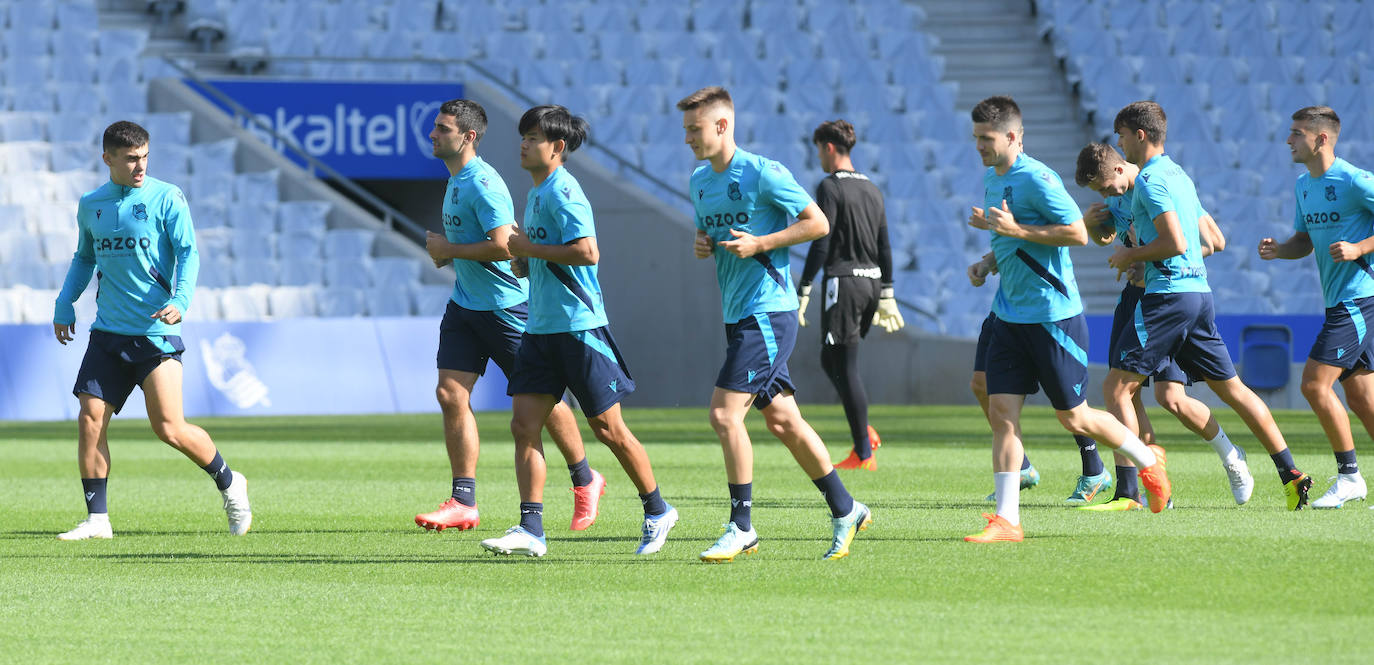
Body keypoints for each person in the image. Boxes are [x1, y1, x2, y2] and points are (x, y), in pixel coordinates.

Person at [963, 96, 1170, 543]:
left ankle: (1148, 461)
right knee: (1002, 414)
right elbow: (1010, 241)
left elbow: (1077, 233)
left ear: (1013, 137)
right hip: (1008, 316)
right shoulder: (990, 178)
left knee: (1075, 418)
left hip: (1054, 318)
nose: (978, 145)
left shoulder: (1038, 178)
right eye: (976, 137)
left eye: (986, 138)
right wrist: (987, 263)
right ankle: (1007, 520)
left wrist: (1013, 230)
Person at [679, 86, 871, 562]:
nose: (687, 138)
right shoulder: (700, 180)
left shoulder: (763, 172)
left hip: (768, 312)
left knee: (725, 415)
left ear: (722, 126)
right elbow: (711, 229)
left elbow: (818, 223)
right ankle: (846, 508)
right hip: (739, 314)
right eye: (685, 130)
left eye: (694, 129)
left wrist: (762, 243)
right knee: (785, 421)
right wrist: (704, 242)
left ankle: (741, 526)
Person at [479, 105, 677, 557]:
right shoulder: (537, 192)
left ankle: (657, 510)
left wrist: (530, 247)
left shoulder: (565, 191)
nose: (523, 144)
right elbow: (547, 255)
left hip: (579, 328)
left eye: (533, 137)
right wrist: (525, 259)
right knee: (524, 425)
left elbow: (588, 253)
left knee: (610, 431)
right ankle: (532, 529)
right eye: (523, 136)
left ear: (558, 147)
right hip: (541, 328)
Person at [1103, 101, 1313, 510]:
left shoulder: (1149, 180)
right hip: (1199, 295)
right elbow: (1207, 241)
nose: (1119, 142)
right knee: (1232, 389)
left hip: (1166, 297)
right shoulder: (1179, 174)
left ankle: (1140, 482)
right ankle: (1291, 472)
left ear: (1139, 135)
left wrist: (1131, 256)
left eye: (1122, 135)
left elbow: (1175, 243)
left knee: (1116, 390)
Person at [51, 120, 251, 540]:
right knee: (90, 418)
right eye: (130, 158)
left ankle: (230, 482)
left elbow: (188, 252)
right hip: (107, 333)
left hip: (154, 333)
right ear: (108, 159)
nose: (139, 165)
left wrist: (180, 301)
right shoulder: (92, 203)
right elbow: (84, 257)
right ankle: (97, 521)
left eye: (144, 156)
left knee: (169, 428)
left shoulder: (167, 196)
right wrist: (64, 300)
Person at [414, 99, 606, 534]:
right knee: (450, 394)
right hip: (466, 305)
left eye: (442, 129)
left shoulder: (484, 184)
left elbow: (504, 244)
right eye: (435, 128)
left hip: (506, 307)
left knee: (543, 399)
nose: (433, 135)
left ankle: (585, 477)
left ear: (468, 137)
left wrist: (449, 251)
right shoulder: (456, 179)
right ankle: (463, 500)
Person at [1074, 142, 1254, 510]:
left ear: (1120, 167)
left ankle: (1231, 455)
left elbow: (1213, 242)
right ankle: (1142, 490)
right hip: (1134, 301)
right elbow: (1108, 240)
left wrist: (1151, 259)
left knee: (1170, 398)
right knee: (1128, 394)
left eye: (1106, 187)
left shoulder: (1162, 188)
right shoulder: (1115, 197)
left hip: (1167, 301)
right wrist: (1095, 225)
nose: (1107, 195)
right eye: (1099, 192)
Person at [1258, 105, 1374, 509]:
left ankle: (1349, 477)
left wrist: (1360, 246)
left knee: (1313, 384)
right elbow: (1303, 242)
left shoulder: (1355, 180)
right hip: (1339, 301)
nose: (1288, 140)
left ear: (1320, 138)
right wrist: (1279, 251)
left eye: (1295, 133)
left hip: (1359, 300)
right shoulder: (1304, 186)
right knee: (1362, 399)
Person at [796, 118, 903, 471]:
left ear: (828, 147)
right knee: (833, 360)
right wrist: (887, 291)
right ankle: (862, 430)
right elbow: (885, 245)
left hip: (843, 282)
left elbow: (821, 241)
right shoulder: (873, 188)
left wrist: (805, 287)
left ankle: (863, 451)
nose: (819, 158)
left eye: (818, 150)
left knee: (845, 363)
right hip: (871, 284)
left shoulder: (829, 186)